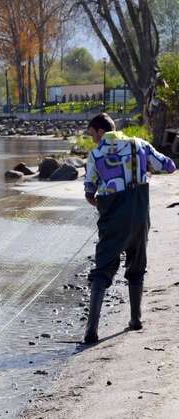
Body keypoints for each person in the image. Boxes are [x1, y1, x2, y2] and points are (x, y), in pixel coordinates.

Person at [83, 113, 176, 344]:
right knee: (136, 266)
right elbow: (170, 166)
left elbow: (89, 191)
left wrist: (97, 200)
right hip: (139, 213)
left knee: (103, 269)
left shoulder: (95, 155)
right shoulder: (140, 144)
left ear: (100, 131)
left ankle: (91, 332)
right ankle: (135, 320)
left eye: (91, 134)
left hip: (112, 218)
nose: (92, 139)